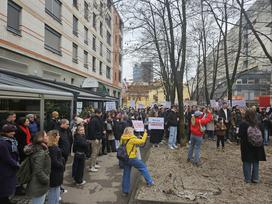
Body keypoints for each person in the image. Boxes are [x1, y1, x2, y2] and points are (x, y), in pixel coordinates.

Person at [121, 127, 154, 196]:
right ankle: (150, 182)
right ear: (130, 132)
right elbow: (142, 142)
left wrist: (136, 137)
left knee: (126, 174)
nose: (133, 132)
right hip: (132, 158)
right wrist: (145, 133)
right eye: (132, 131)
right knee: (143, 167)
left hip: (125, 158)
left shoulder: (122, 138)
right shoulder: (132, 139)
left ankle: (125, 191)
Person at [238, 109, 266, 183]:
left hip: (246, 146)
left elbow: (240, 135)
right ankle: (255, 178)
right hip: (258, 146)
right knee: (256, 162)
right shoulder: (259, 123)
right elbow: (262, 134)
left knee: (247, 162)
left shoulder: (243, 124)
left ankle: (247, 179)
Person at [25, 131, 51, 204]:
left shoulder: (39, 148)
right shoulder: (40, 152)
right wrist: (46, 179)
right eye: (46, 136)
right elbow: (38, 170)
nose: (47, 137)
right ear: (41, 139)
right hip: (38, 184)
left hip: (38, 182)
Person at [0, 124, 19, 204]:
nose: (13, 133)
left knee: (8, 186)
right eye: (11, 131)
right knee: (5, 187)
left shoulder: (12, 140)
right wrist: (16, 164)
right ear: (5, 132)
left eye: (14, 131)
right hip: (5, 169)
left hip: (10, 168)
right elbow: (6, 158)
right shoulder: (2, 143)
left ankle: (6, 199)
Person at [47, 130, 65, 204]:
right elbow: (54, 161)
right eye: (58, 135)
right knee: (54, 191)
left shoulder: (52, 146)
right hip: (55, 173)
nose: (59, 136)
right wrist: (61, 165)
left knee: (55, 190)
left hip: (55, 172)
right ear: (54, 137)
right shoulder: (53, 147)